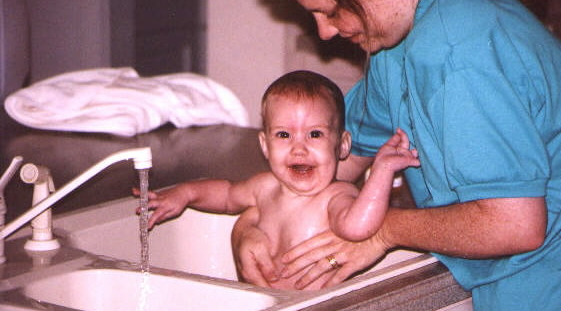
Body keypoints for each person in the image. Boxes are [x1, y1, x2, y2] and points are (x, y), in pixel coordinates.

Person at [232, 0, 561, 311]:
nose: (324, 32)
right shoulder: (398, 42)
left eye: (332, 10)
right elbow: (333, 159)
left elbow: (513, 225)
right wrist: (253, 227)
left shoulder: (458, 49)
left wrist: (382, 231)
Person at [136, 70, 419, 290]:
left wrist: (382, 171)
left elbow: (358, 227)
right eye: (284, 135)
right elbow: (226, 195)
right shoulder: (264, 187)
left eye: (315, 134)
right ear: (265, 145)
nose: (299, 147)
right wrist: (185, 193)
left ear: (343, 145)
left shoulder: (336, 196)